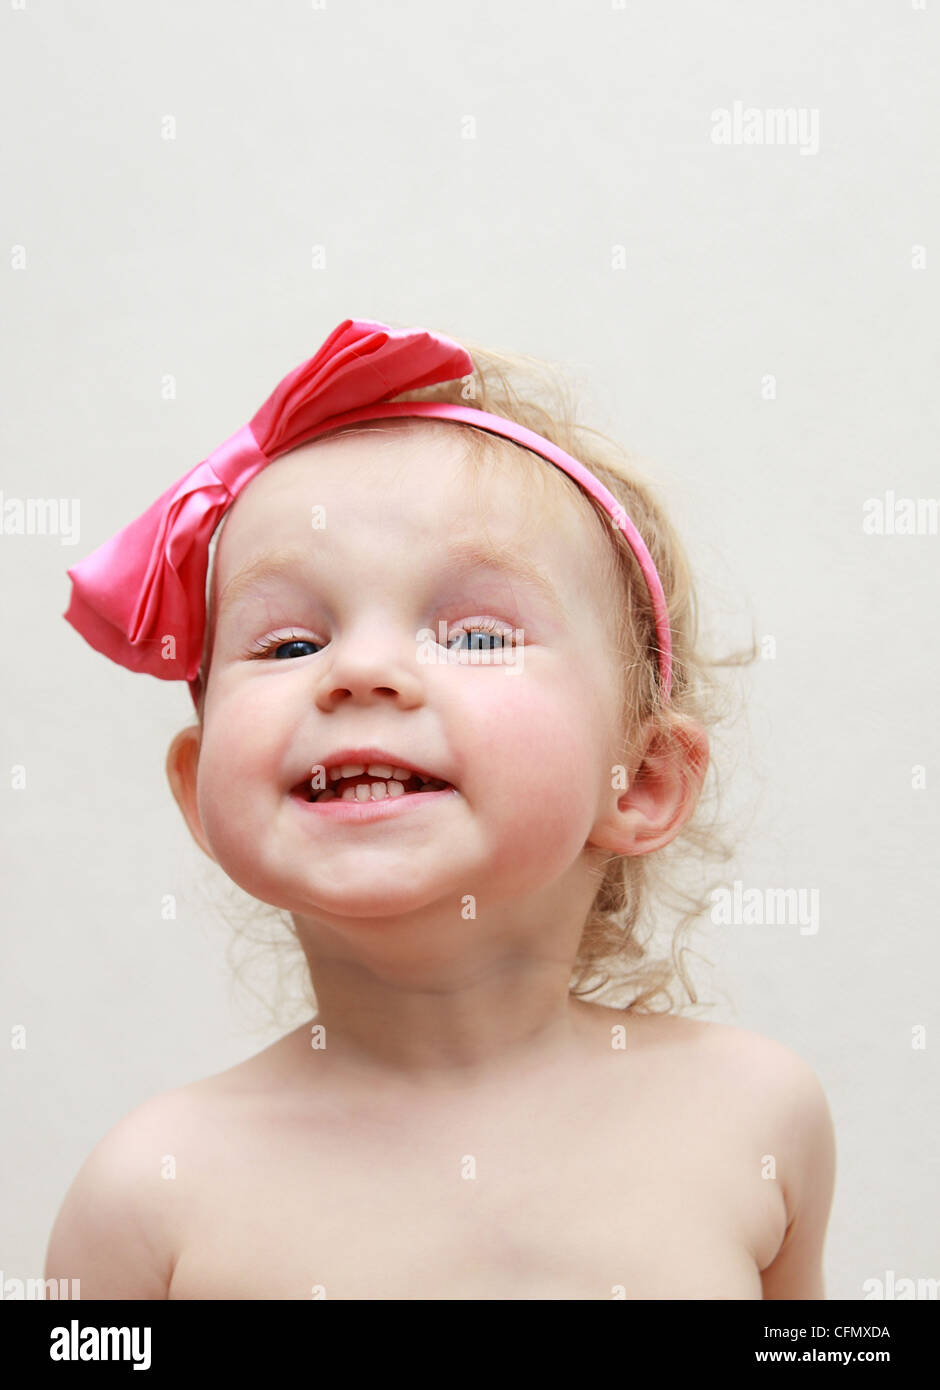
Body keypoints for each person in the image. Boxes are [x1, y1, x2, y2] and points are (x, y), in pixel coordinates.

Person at [45, 318, 835, 1299]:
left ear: (636, 781)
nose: (360, 669)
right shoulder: (148, 1200)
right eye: (290, 645)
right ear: (200, 795)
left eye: (471, 633)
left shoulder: (755, 1118)